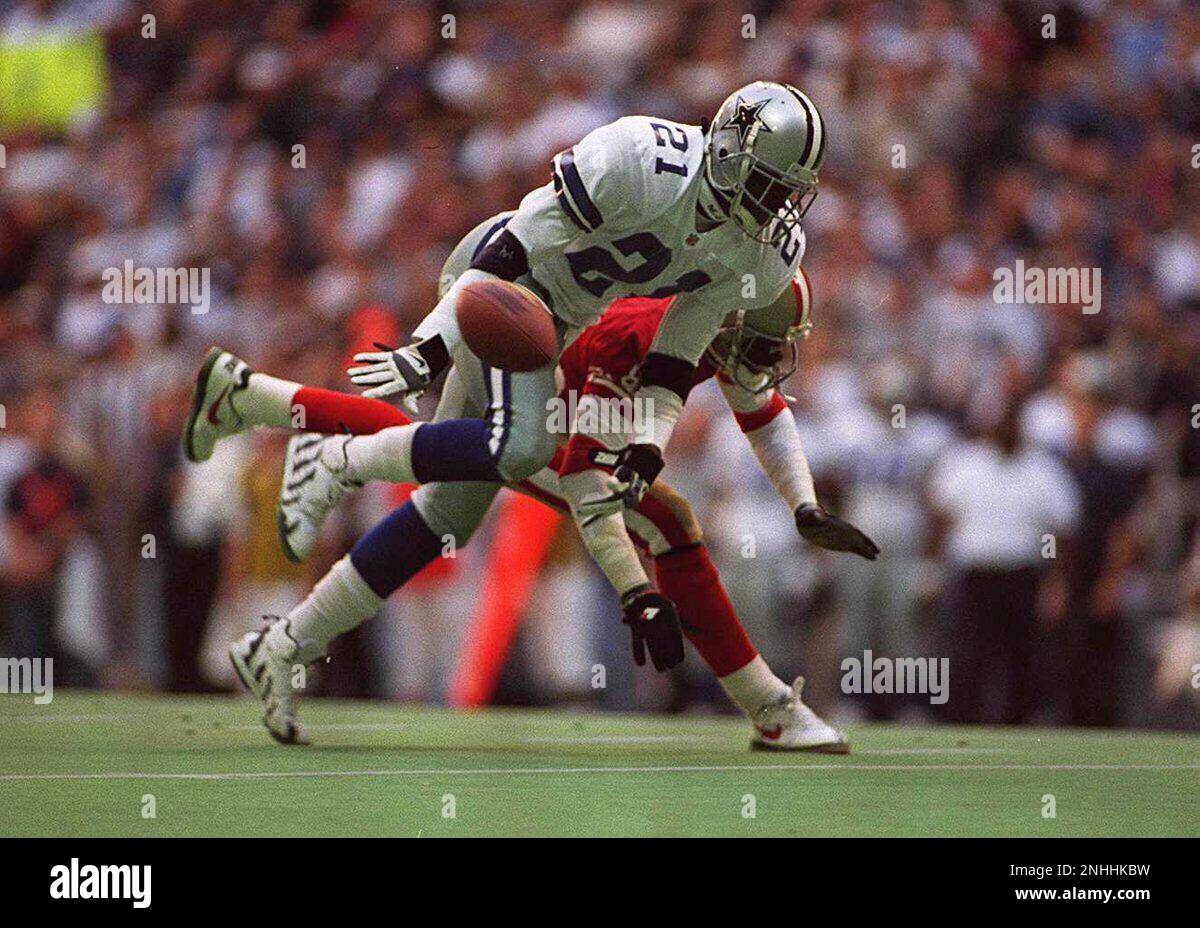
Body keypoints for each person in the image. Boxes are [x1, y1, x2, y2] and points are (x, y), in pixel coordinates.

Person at [186, 233, 877, 749]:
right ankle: (769, 709)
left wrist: (804, 505)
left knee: (447, 505)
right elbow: (581, 474)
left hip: (531, 320)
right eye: (763, 342)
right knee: (659, 516)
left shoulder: (714, 320)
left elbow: (763, 412)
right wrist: (637, 592)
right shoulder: (648, 335)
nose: (769, 359)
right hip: (521, 326)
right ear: (729, 318)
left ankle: (280, 621)